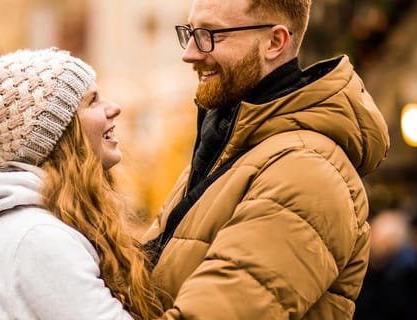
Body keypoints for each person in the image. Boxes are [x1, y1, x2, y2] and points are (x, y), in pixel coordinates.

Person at [141, 0, 390, 318]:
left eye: (210, 34)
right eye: (189, 33)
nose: (189, 53)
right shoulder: (229, 150)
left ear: (275, 42)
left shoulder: (306, 171)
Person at [0, 48, 162, 319]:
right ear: (58, 134)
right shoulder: (38, 236)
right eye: (92, 101)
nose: (114, 107)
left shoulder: (41, 226)